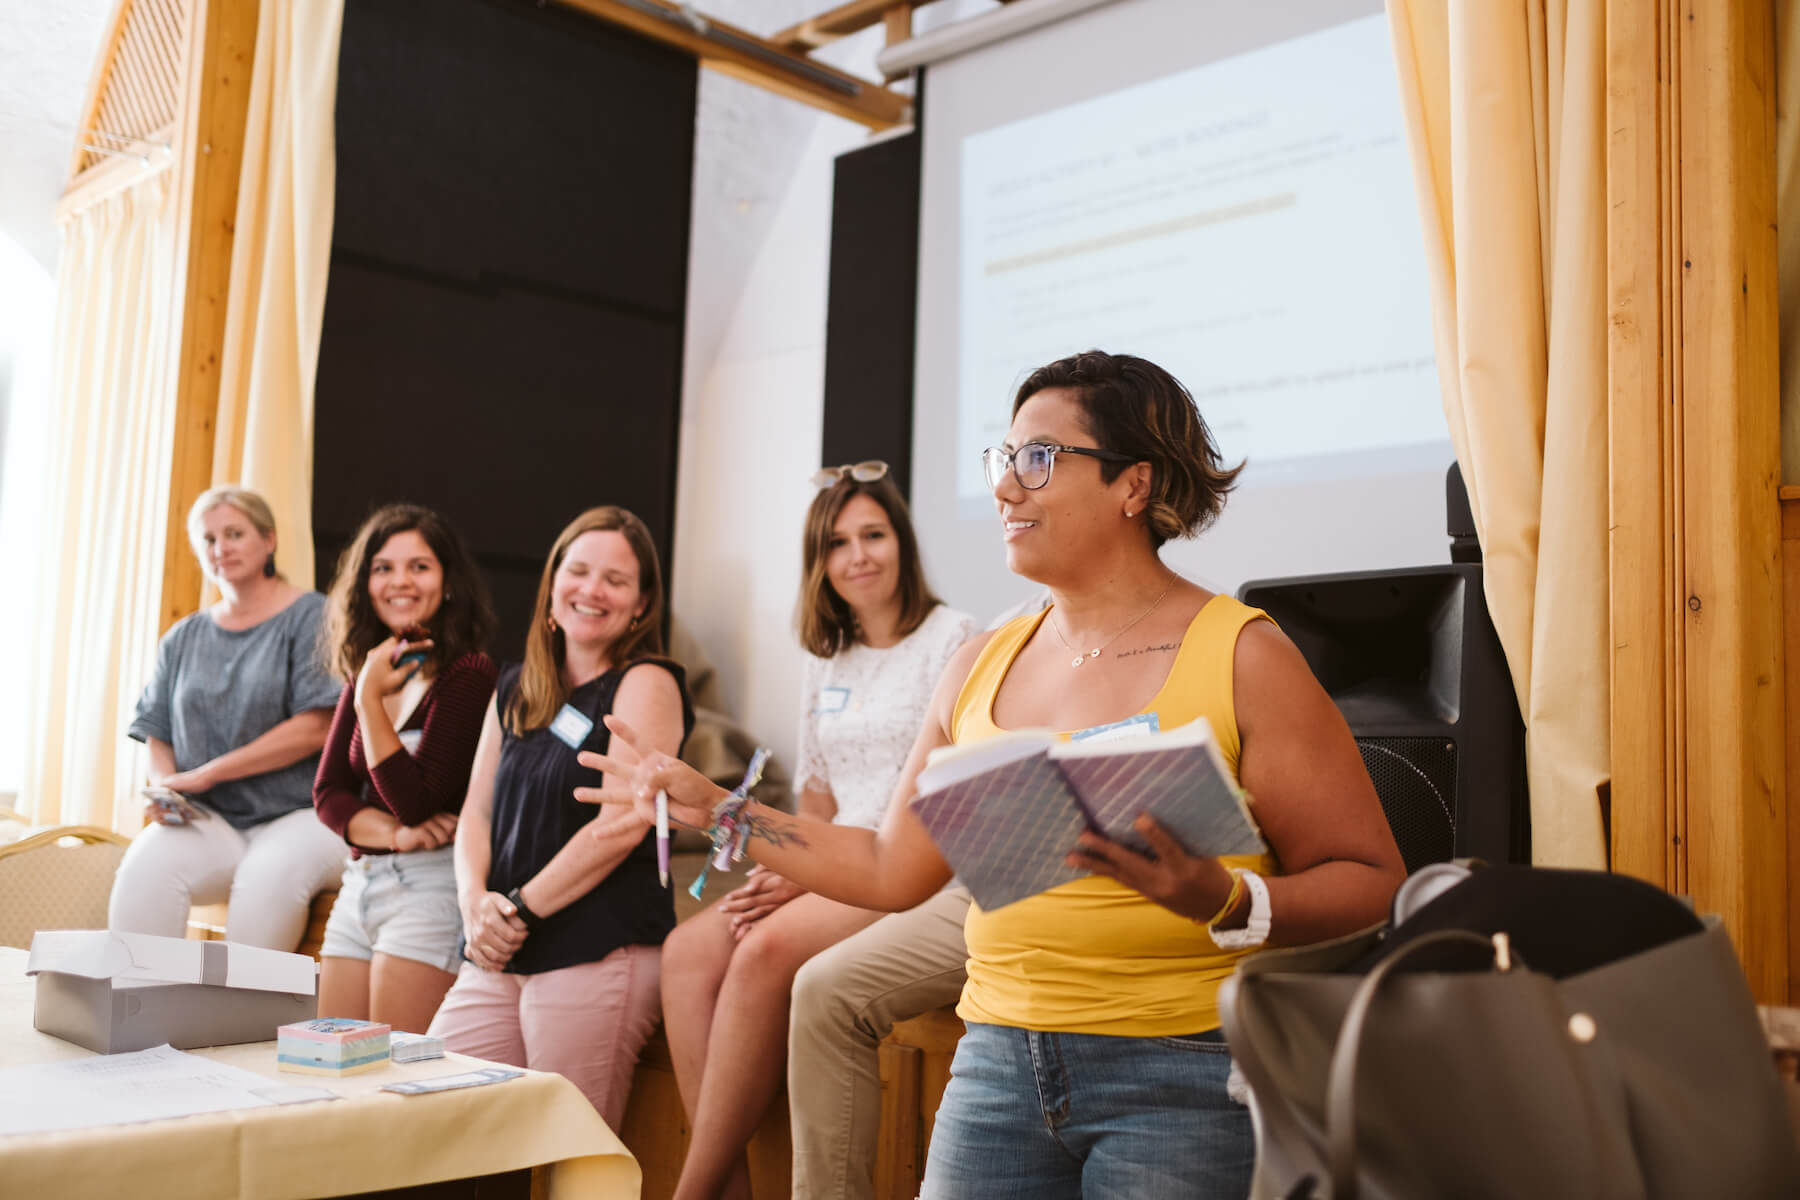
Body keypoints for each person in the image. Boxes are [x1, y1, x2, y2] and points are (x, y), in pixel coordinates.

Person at [585, 351, 1408, 1199]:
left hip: (1182, 1072)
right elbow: (886, 870)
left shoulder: (1244, 654)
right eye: (1003, 459)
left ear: (1134, 484)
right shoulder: (980, 664)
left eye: (1040, 460)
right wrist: (718, 805)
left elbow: (1375, 883)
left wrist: (1227, 901)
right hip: (997, 1069)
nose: (1007, 488)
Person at [657, 463, 974, 1200]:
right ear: (818, 563)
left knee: (764, 950)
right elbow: (817, 799)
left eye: (874, 535)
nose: (857, 555)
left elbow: (945, 801)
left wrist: (807, 873)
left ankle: (690, 1190)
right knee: (687, 951)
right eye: (837, 543)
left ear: (903, 544)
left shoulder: (952, 637)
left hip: (913, 862)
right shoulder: (824, 657)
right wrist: (793, 867)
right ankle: (726, 1186)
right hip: (831, 856)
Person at [426, 506, 693, 1129]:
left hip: (597, 948)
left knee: (568, 1156)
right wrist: (475, 904)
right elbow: (476, 811)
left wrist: (517, 907)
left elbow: (624, 821)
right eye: (578, 571)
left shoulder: (648, 681)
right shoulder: (518, 685)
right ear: (552, 584)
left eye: (615, 580)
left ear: (641, 605)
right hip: (501, 948)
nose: (592, 590)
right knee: (430, 1123)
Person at [110, 485, 349, 950]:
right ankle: (139, 1013)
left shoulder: (312, 616)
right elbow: (155, 730)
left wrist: (206, 774)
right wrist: (166, 788)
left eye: (235, 534)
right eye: (209, 539)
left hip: (304, 814)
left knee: (266, 880)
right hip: (213, 817)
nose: (221, 549)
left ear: (269, 540)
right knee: (144, 869)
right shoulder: (183, 637)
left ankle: (243, 1023)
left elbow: (317, 727)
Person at [312, 504, 499, 1033]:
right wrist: (396, 836)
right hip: (361, 882)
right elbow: (328, 795)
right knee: (332, 1068)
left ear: (448, 581)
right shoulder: (367, 670)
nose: (400, 581)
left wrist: (370, 701)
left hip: (431, 891)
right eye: (383, 567)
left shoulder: (468, 674)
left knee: (396, 1078)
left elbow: (420, 799)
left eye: (420, 566)